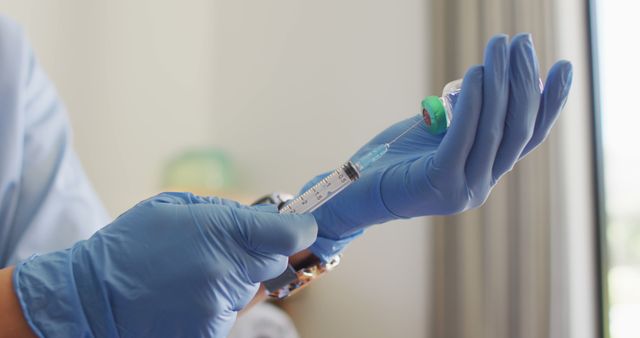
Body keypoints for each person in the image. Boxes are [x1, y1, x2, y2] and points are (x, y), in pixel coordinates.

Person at [0, 15, 572, 338]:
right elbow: (78, 292)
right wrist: (68, 298)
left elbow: (104, 280)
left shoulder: (8, 60)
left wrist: (319, 226)